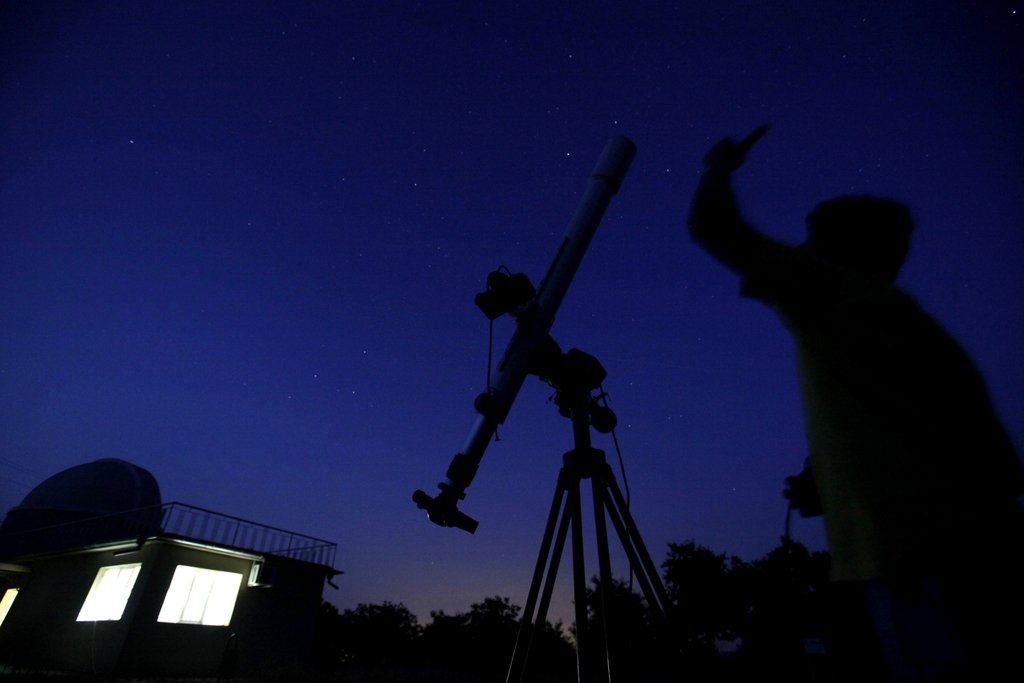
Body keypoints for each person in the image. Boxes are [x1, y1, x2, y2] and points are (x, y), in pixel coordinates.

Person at [686, 127, 1023, 682]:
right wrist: (830, 481)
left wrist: (716, 165)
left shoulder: (836, 292)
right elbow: (985, 457)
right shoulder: (905, 321)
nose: (798, 251)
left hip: (914, 570)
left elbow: (712, 225)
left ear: (842, 253)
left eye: (811, 240)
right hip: (959, 562)